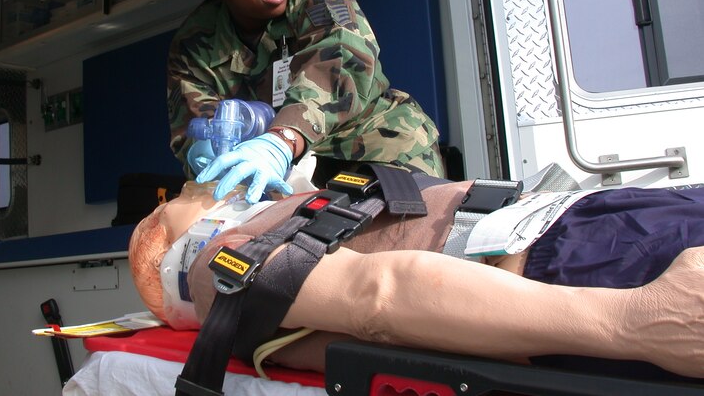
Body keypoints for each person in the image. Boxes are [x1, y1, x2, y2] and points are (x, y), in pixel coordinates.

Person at [129, 178, 704, 383]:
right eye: (185, 194)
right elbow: (376, 297)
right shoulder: (217, 263)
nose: (196, 186)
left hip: (585, 245)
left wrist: (626, 324)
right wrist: (627, 324)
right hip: (581, 258)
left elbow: (378, 298)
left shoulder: (250, 234)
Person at [167, 0, 444, 204]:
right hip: (284, 175)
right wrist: (203, 151)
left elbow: (342, 61)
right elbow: (197, 125)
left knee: (400, 239)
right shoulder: (195, 43)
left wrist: (280, 141)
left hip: (378, 147)